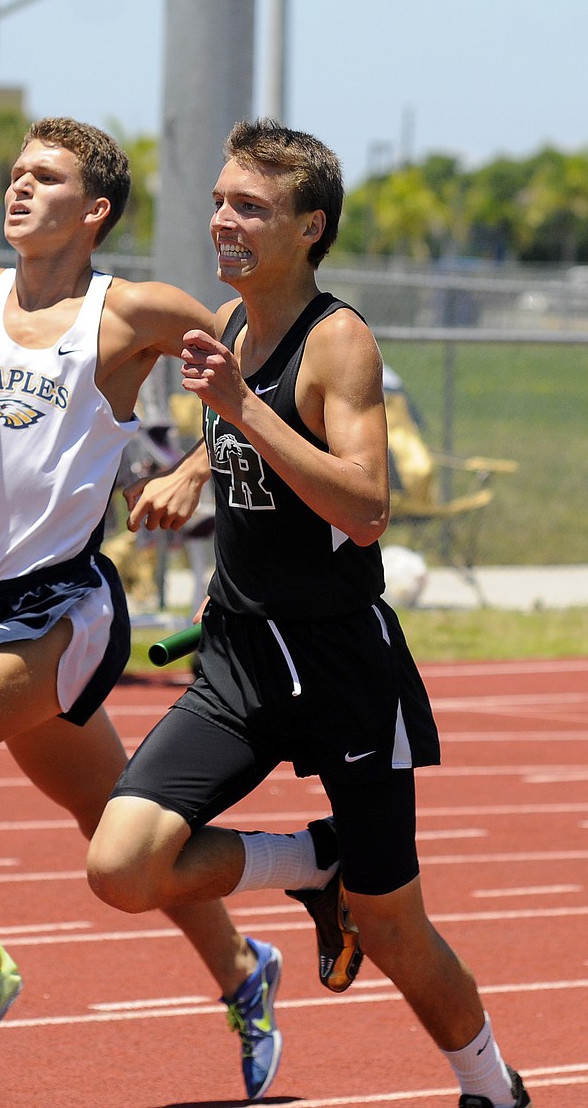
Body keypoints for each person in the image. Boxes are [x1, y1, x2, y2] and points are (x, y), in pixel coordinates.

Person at [0, 117, 318, 1099]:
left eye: (47, 178)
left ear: (95, 210)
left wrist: (198, 463)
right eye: (16, 173)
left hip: (66, 606)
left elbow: (263, 374)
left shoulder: (132, 312)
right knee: (116, 823)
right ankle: (245, 972)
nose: (19, 189)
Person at [87, 119, 530, 1108]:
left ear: (308, 226)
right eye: (217, 202)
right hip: (241, 658)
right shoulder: (233, 324)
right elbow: (239, 425)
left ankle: (494, 1091)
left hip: (339, 671)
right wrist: (196, 466)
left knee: (393, 929)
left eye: (250, 207)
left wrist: (240, 412)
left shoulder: (339, 343)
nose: (222, 222)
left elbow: (366, 509)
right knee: (121, 865)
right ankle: (312, 858)